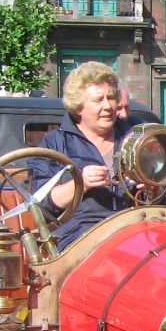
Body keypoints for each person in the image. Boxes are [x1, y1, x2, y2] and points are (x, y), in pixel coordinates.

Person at [29, 62, 138, 251]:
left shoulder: (135, 139)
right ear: (78, 107)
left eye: (111, 98)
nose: (108, 106)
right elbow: (41, 203)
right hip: (78, 239)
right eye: (98, 100)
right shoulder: (56, 143)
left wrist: (153, 190)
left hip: (134, 232)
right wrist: (80, 184)